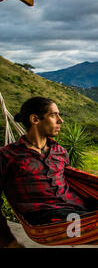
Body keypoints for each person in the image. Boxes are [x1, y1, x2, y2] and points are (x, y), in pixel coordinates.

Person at [0, 97, 89, 248]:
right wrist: (7, 241)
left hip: (78, 212)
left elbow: (73, 185)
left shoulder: (60, 152)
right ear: (35, 119)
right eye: (54, 115)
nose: (60, 120)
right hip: (47, 221)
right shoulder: (8, 156)